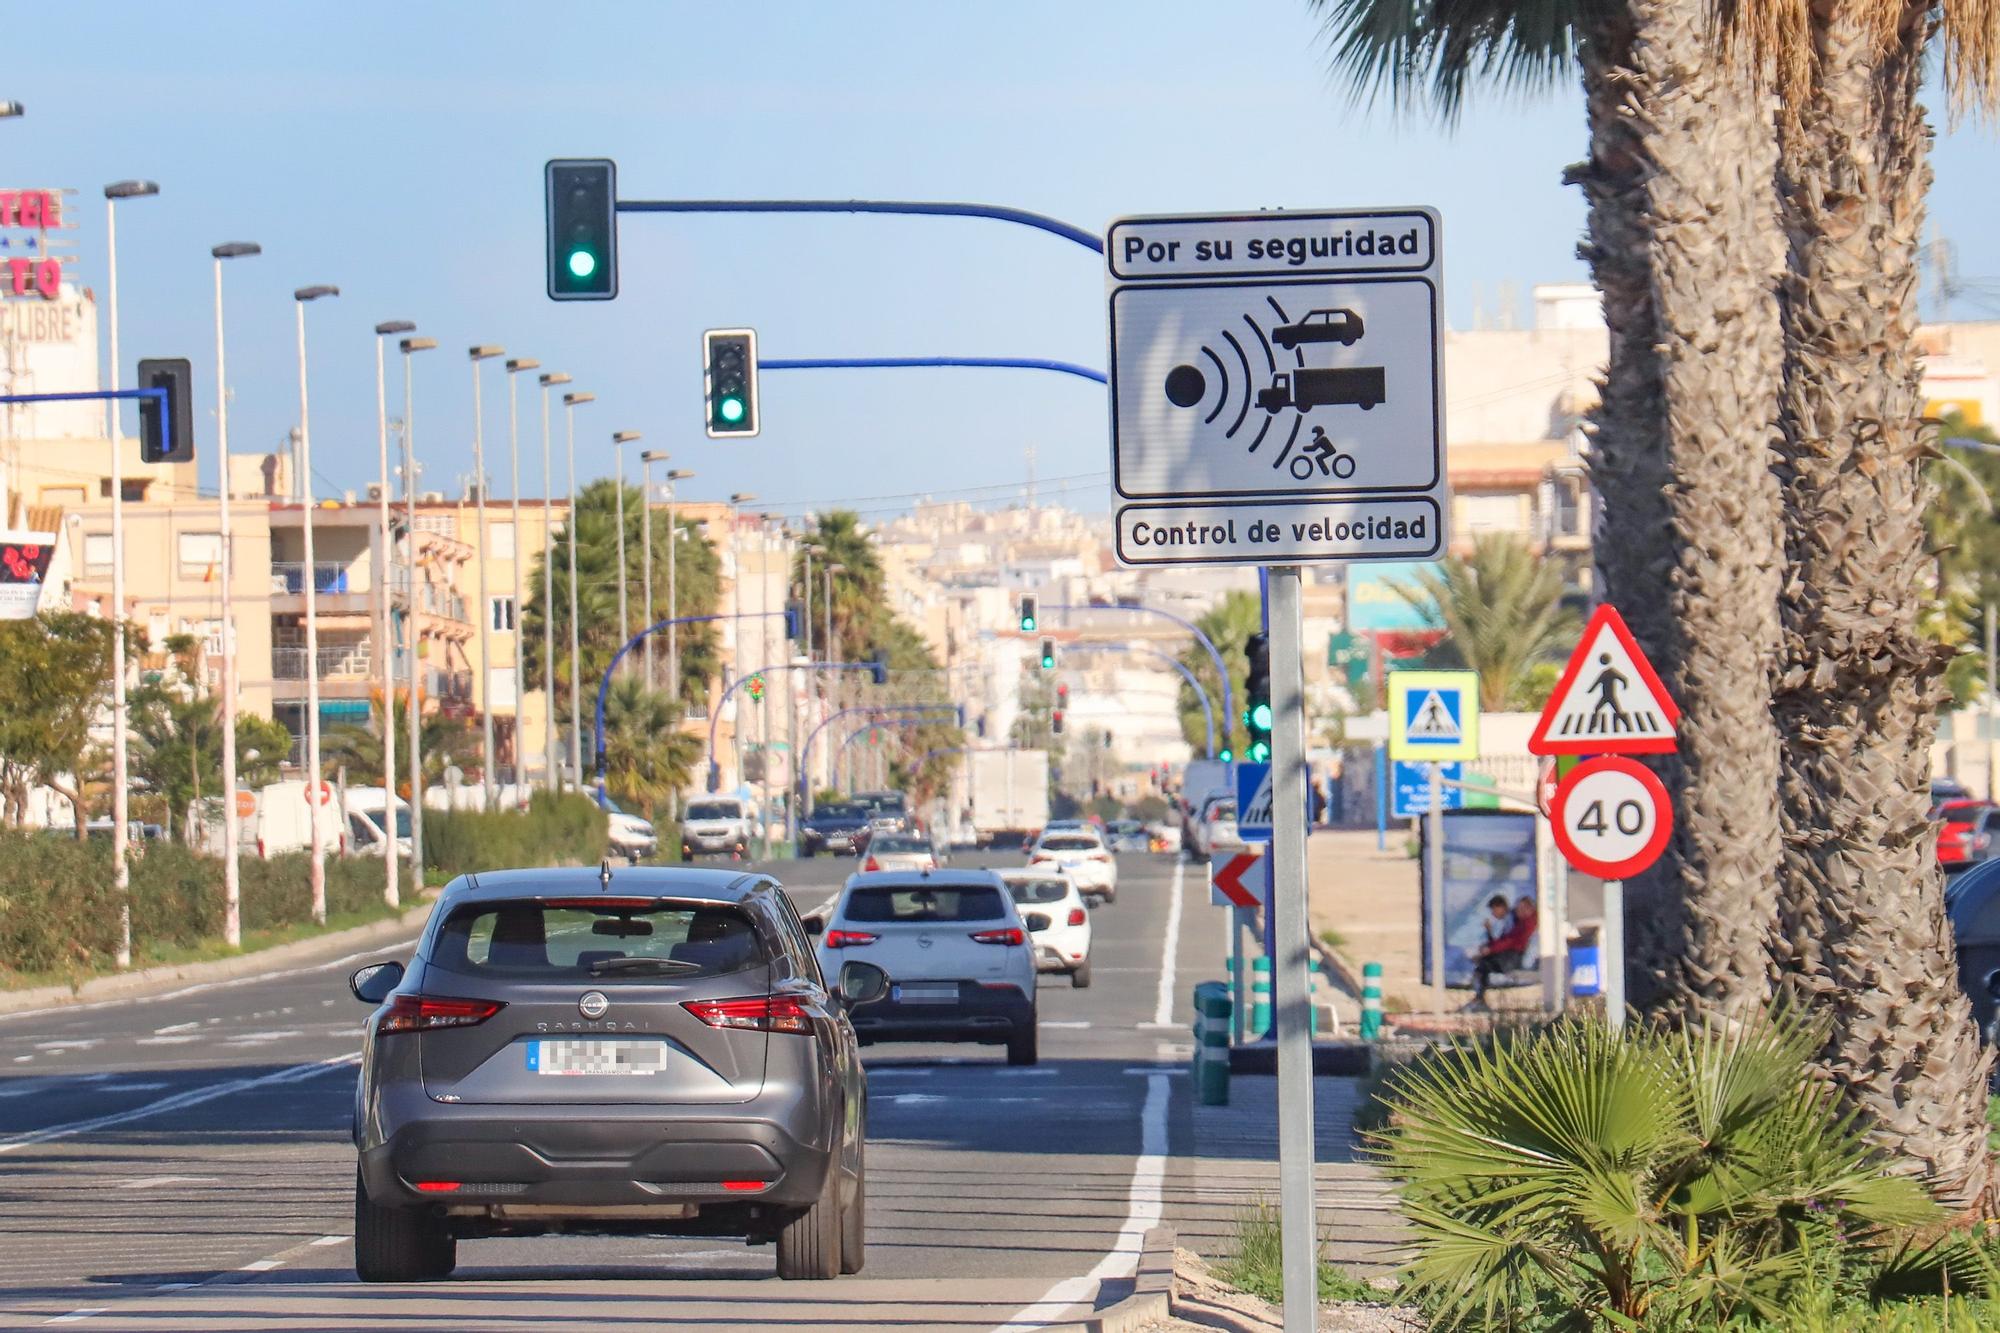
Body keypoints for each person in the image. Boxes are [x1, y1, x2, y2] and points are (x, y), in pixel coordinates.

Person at [1468, 894, 1538, 1009]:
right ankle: (1479, 997)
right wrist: (1490, 947)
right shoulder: (1520, 922)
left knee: (1484, 965)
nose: (1518, 911)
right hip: (1510, 954)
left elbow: (1510, 941)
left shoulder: (1527, 924)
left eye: (1521, 909)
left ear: (1529, 909)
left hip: (1513, 957)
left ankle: (1479, 998)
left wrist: (1490, 949)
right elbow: (1505, 940)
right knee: (1483, 963)